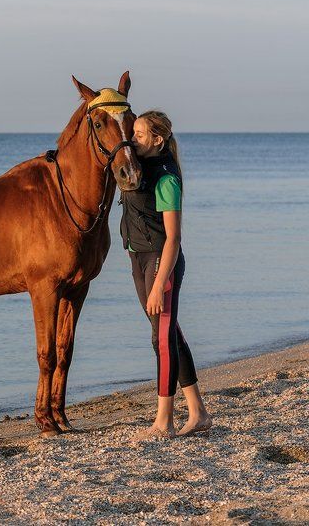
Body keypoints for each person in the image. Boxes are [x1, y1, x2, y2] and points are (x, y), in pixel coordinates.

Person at [120, 110, 212, 439]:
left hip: (162, 261)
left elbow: (174, 238)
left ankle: (164, 421)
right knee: (170, 334)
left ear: (157, 140)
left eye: (140, 134)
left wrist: (160, 285)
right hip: (139, 258)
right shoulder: (137, 168)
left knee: (161, 340)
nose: (133, 139)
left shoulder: (167, 177)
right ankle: (198, 412)